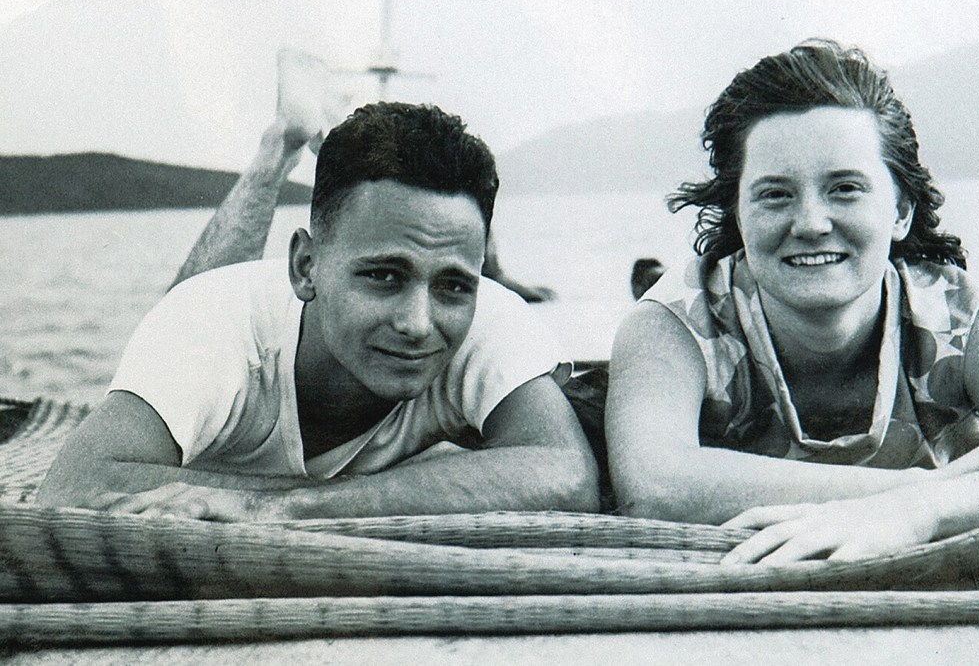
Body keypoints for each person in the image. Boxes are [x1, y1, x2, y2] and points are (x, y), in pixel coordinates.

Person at [605, 39, 979, 563]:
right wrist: (934, 489)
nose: (809, 223)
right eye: (775, 194)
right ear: (737, 215)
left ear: (900, 212)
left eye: (845, 188)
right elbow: (655, 486)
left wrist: (917, 516)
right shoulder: (673, 323)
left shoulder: (956, 317)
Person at [37, 100, 599, 520]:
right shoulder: (211, 329)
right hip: (217, 326)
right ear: (306, 267)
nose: (417, 324)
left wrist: (279, 508)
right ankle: (280, 144)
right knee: (191, 306)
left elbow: (568, 474)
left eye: (453, 284)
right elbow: (73, 487)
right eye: (384, 276)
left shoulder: (486, 314)